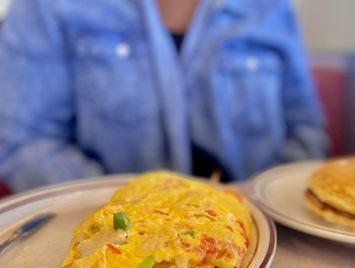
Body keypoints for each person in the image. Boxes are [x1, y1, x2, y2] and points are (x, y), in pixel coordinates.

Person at [0, 0, 328, 192]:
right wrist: (134, 205)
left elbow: (306, 126)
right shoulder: (48, 8)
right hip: (114, 243)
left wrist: (263, 201)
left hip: (266, 240)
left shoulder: (270, 8)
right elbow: (22, 142)